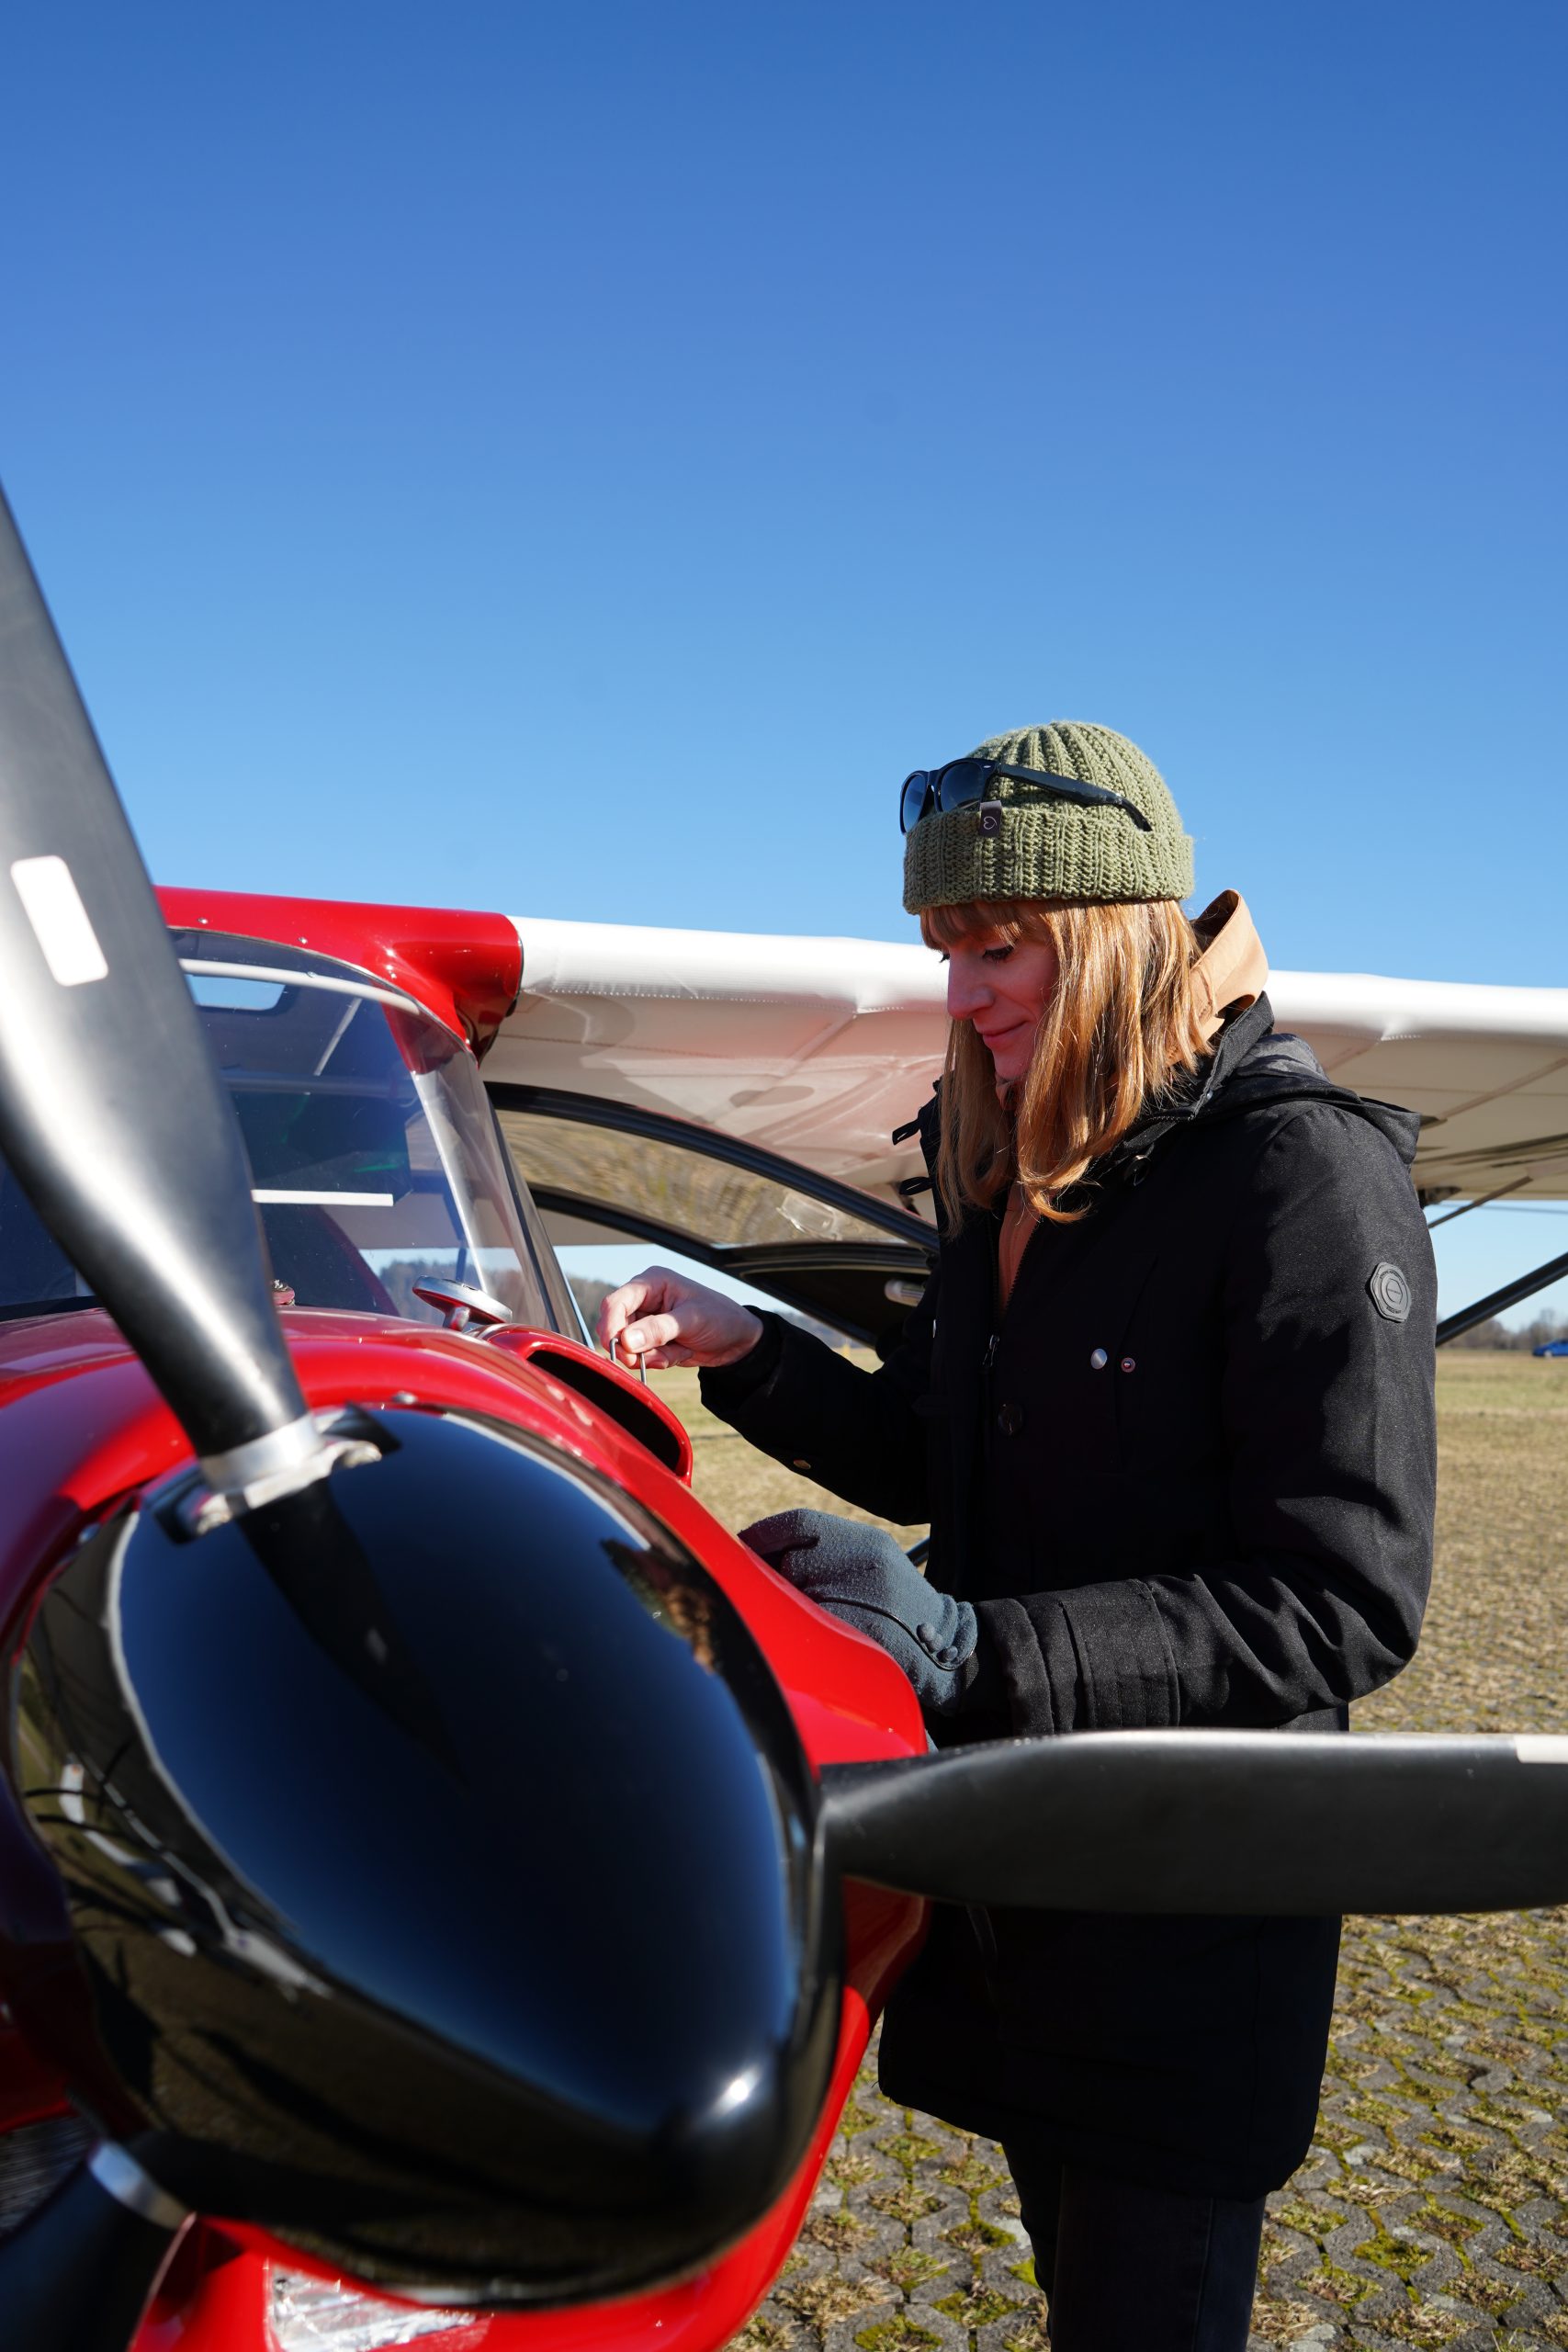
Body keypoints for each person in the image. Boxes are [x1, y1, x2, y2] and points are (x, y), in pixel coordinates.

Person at [598, 721, 1437, 2351]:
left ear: (1117, 936)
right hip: (1022, 1896)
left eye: (1001, 950)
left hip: (1185, 1922)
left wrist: (970, 1652)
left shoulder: (1301, 1176)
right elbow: (939, 1448)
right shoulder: (1016, 1165)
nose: (965, 993)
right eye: (946, 953)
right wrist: (748, 1345)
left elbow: (1344, 1595)